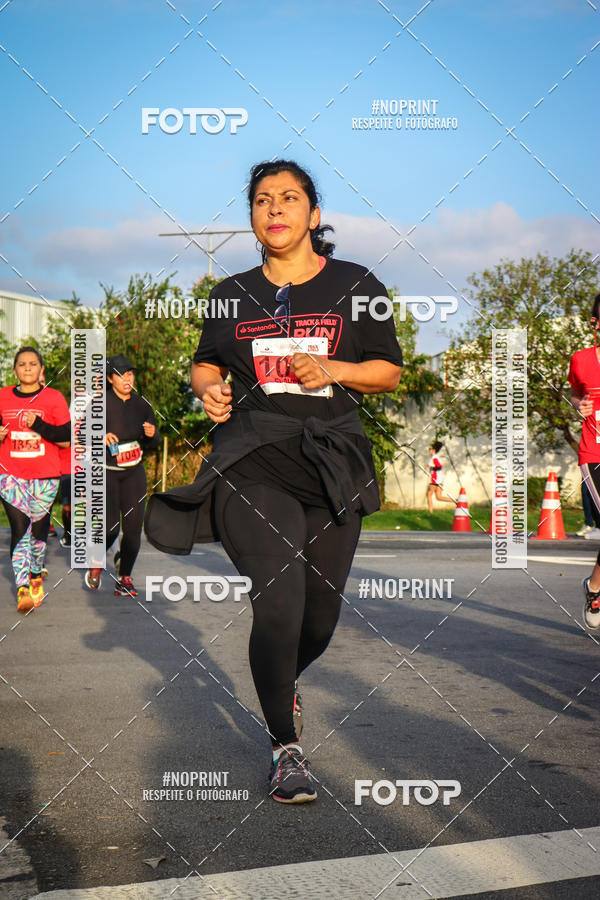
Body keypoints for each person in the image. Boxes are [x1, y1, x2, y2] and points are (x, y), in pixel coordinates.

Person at [144, 159, 403, 803]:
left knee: (318, 620)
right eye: (262, 200)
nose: (275, 208)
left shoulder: (356, 283)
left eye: (290, 198)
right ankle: (286, 747)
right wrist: (209, 390)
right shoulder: (231, 292)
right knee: (279, 601)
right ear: (253, 218)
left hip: (329, 462)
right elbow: (205, 363)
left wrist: (335, 368)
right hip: (250, 460)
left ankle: (278, 681)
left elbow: (388, 371)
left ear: (314, 215)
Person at [0, 347, 70, 612]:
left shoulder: (53, 398)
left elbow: (66, 438)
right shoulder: (2, 397)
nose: (27, 368)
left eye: (33, 364)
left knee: (39, 534)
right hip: (10, 475)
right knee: (21, 529)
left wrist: (39, 425)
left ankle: (36, 574)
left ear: (41, 370)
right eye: (21, 364)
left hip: (45, 476)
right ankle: (22, 588)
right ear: (14, 370)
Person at [85, 355, 160, 597]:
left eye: (130, 373)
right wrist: (101, 437)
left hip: (134, 472)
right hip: (107, 473)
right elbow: (82, 436)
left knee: (133, 529)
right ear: (110, 378)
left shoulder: (142, 405)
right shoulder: (99, 404)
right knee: (111, 529)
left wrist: (152, 434)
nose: (127, 378)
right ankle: (97, 560)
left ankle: (124, 577)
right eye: (121, 374)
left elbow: (155, 442)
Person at [569, 292, 600, 630]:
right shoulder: (581, 360)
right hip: (595, 454)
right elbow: (576, 393)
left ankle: (594, 586)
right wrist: (578, 405)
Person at [426, 441, 454, 513]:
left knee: (429, 494)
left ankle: (430, 512)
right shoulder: (435, 457)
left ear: (433, 450)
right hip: (440, 478)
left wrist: (429, 466)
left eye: (430, 449)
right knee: (439, 497)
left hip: (435, 479)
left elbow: (439, 466)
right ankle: (457, 501)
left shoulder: (434, 457)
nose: (429, 450)